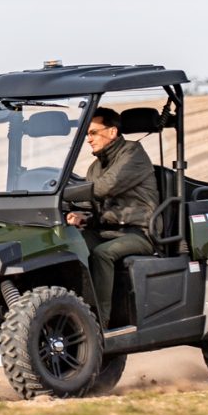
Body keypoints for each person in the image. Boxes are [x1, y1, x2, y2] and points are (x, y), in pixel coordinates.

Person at [65, 107, 157, 327]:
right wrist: (81, 216)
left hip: (139, 232)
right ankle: (69, 310)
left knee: (101, 254)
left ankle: (98, 321)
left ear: (113, 132)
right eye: (87, 134)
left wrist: (61, 192)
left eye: (93, 132)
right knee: (68, 245)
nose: (88, 139)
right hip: (107, 232)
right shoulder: (95, 167)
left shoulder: (133, 154)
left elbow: (106, 187)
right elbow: (92, 203)